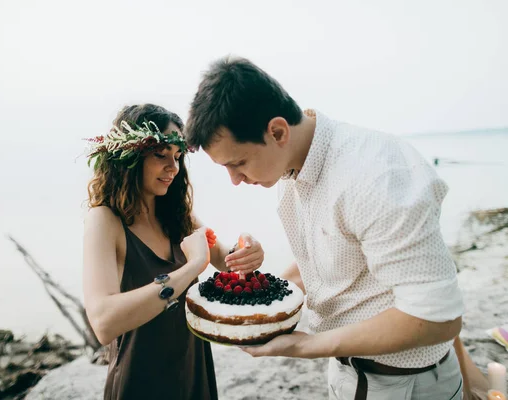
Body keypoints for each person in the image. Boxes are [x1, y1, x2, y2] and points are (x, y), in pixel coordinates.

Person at [184, 57, 465, 400]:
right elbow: (327, 263)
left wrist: (305, 346)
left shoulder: (374, 176)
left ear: (277, 132)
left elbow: (438, 318)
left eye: (238, 163)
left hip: (407, 384)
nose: (236, 181)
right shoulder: (291, 168)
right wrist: (260, 297)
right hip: (345, 372)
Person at [82, 104, 265, 400]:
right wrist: (191, 268)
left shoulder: (179, 216)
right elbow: (103, 322)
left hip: (194, 374)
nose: (173, 168)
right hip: (140, 382)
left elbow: (227, 260)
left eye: (177, 157)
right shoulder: (105, 220)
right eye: (160, 155)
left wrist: (247, 249)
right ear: (128, 156)